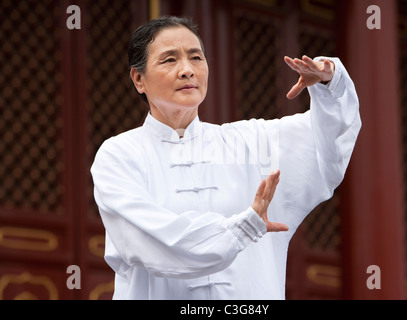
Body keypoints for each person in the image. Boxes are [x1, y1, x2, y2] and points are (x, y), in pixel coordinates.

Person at [91, 16, 361, 300]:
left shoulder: (252, 142)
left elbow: (328, 141)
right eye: (169, 60)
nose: (187, 70)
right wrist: (245, 228)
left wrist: (331, 85)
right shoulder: (120, 154)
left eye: (196, 57)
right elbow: (153, 241)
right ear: (138, 79)